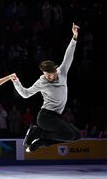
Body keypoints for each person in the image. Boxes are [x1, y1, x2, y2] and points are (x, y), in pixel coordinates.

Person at [12, 23, 81, 152]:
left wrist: (74, 37)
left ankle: (39, 138)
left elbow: (69, 55)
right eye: (45, 75)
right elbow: (26, 94)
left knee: (77, 135)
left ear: (55, 70)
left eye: (50, 75)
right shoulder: (42, 82)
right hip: (45, 117)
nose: (48, 77)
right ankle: (39, 134)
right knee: (69, 135)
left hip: (56, 116)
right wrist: (17, 82)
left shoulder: (62, 71)